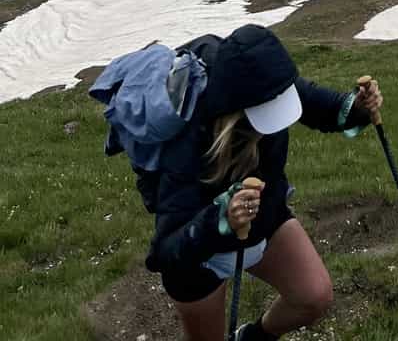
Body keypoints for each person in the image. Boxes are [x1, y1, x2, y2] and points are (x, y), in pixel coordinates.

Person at [122, 25, 382, 340]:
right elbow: (166, 252)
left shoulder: (267, 84)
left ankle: (252, 337)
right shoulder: (188, 142)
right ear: (236, 110)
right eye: (265, 114)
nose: (275, 123)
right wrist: (221, 219)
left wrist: (357, 109)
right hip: (199, 261)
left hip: (263, 220)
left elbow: (320, 106)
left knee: (314, 296)